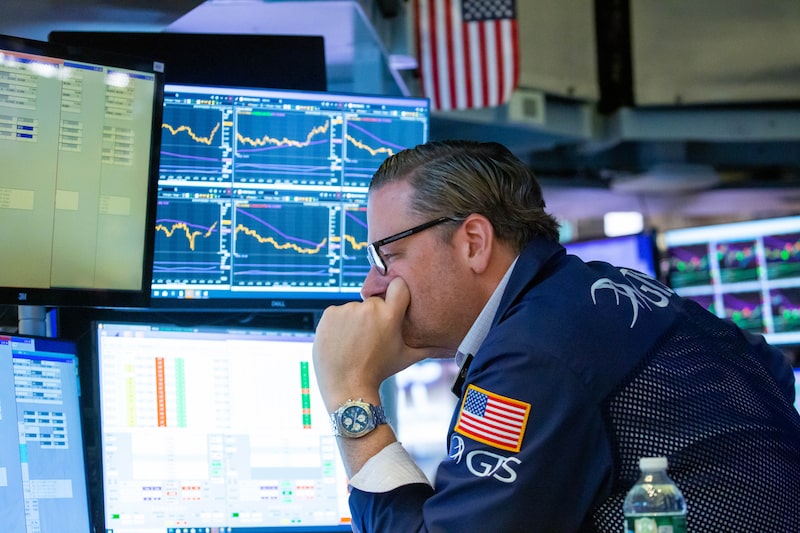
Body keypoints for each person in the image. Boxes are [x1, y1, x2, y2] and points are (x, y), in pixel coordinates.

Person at [312, 140, 800, 532]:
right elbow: (770, 370)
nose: (370, 286)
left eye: (386, 257)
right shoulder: (599, 290)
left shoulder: (531, 353)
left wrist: (350, 392)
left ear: (473, 243)